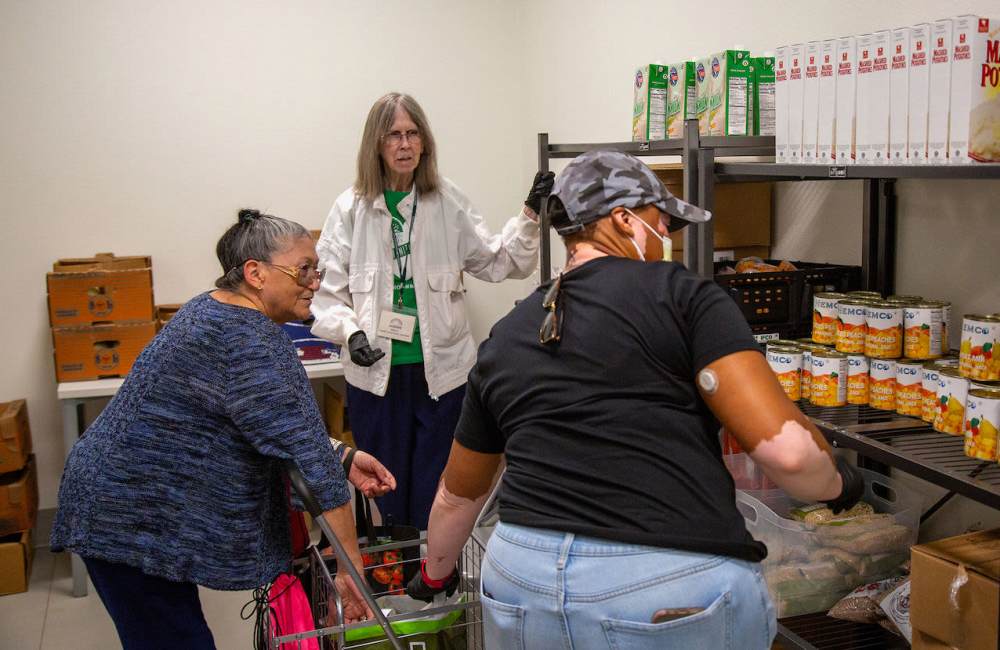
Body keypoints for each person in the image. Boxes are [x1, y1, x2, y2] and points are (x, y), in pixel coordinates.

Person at [406, 151, 865, 649]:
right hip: (663, 586)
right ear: (624, 219)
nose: (667, 232)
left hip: (521, 581)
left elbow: (458, 497)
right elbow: (790, 454)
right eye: (660, 219)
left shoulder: (511, 333)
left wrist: (435, 575)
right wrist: (839, 485)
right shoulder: (686, 297)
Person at [50, 209, 397, 650]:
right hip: (128, 513)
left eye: (318, 269)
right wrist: (349, 570)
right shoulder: (253, 341)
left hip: (118, 501)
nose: (315, 282)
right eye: (304, 270)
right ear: (255, 273)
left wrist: (343, 456)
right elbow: (315, 472)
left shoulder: (213, 307)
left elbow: (262, 421)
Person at [310, 92, 554, 530]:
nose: (404, 145)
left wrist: (530, 216)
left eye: (412, 134)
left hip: (443, 375)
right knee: (386, 487)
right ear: (376, 145)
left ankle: (436, 579)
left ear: (424, 143)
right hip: (375, 377)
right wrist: (352, 335)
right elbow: (327, 296)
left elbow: (500, 261)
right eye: (393, 136)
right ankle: (397, 583)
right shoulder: (350, 209)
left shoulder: (446, 201)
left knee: (440, 489)